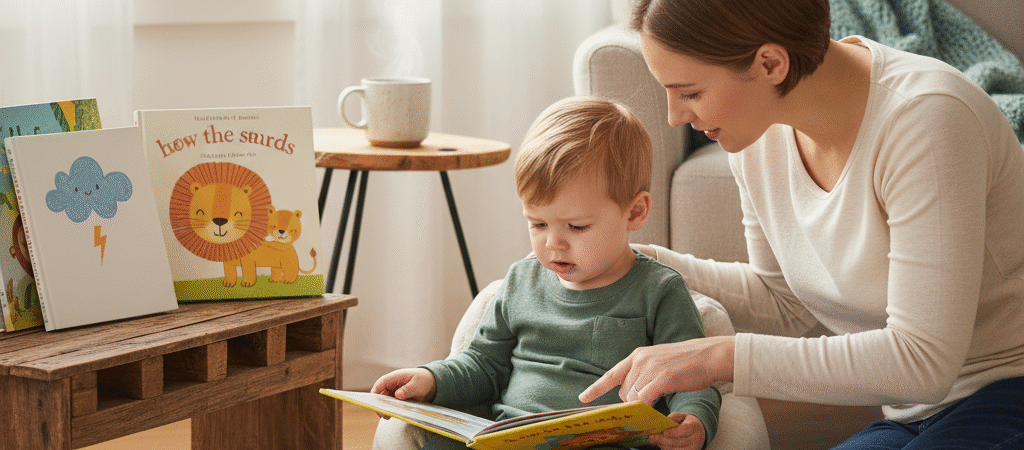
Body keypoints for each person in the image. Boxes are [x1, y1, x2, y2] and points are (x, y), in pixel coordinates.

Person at [578, 0, 1024, 448]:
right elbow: (784, 303)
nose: (675, 116)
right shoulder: (756, 133)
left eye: (690, 93)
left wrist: (717, 357)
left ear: (771, 63)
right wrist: (638, 261)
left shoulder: (927, 121)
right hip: (912, 412)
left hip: (1007, 390)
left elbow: (922, 363)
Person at [371, 96, 722, 450]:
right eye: (537, 223)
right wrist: (428, 379)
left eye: (577, 226)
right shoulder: (520, 283)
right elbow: (482, 365)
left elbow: (692, 377)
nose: (554, 244)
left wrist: (695, 419)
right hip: (511, 435)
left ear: (634, 213)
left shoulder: (659, 291)